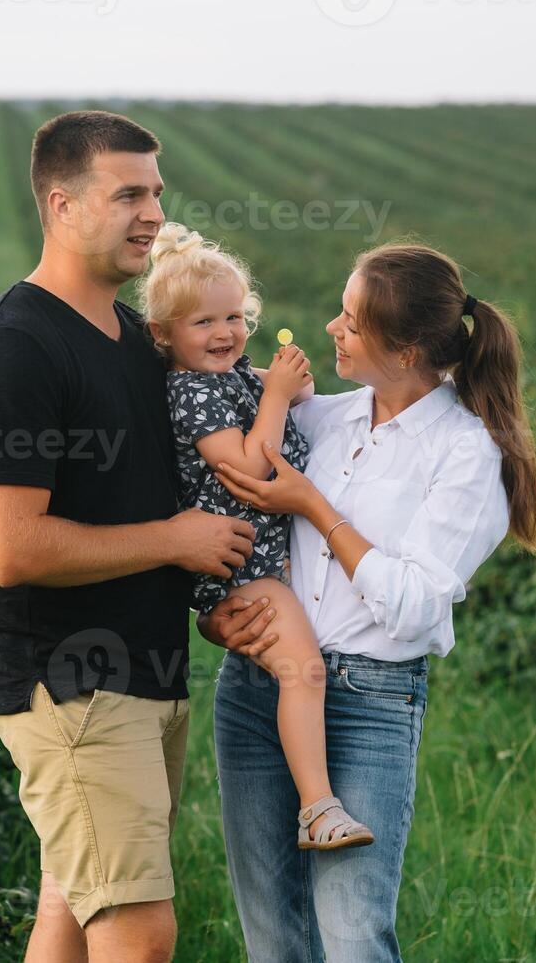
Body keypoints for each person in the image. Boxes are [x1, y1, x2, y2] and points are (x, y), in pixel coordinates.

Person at [199, 242, 536, 962]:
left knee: (354, 937)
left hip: (368, 698)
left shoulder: (467, 453)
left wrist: (314, 503)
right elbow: (234, 502)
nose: (332, 327)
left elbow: (414, 605)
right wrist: (216, 614)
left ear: (404, 352)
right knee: (271, 938)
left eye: (352, 321)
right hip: (258, 687)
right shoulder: (325, 419)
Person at [0, 110, 255, 963]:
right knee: (138, 928)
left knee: (70, 908)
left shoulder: (132, 337)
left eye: (156, 192)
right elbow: (11, 548)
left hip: (144, 671)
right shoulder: (15, 346)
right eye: (128, 194)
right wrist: (175, 541)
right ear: (62, 205)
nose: (153, 213)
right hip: (71, 679)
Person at [138, 220, 375, 851]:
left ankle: (312, 805)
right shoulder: (190, 391)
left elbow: (289, 413)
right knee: (305, 671)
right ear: (163, 335)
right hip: (242, 570)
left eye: (234, 317)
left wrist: (286, 388)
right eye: (204, 324)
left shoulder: (237, 376)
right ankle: (318, 809)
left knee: (299, 672)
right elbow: (247, 468)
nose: (225, 334)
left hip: (270, 565)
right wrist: (274, 395)